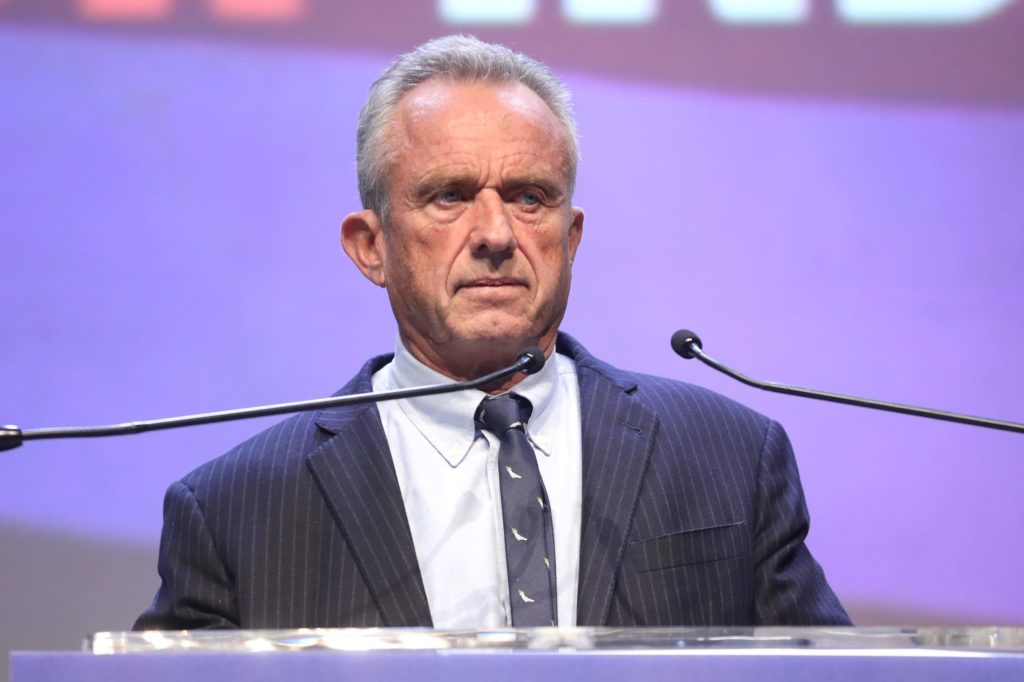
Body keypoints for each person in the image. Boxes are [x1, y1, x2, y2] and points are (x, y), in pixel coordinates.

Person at [134, 35, 849, 630]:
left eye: (528, 197)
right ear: (370, 246)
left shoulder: (730, 456)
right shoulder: (234, 512)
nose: (497, 235)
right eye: (449, 196)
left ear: (570, 238)